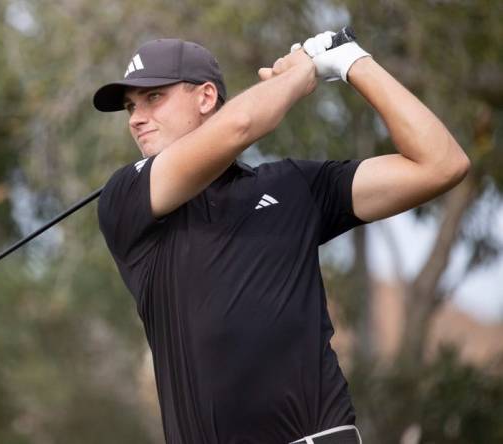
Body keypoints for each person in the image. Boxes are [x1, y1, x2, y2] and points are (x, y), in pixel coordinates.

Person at [93, 31, 469, 443]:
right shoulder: (127, 199)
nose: (135, 118)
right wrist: (303, 71)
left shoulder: (295, 186)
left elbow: (442, 164)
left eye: (153, 99)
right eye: (131, 107)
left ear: (205, 98)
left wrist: (350, 61)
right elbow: (239, 125)